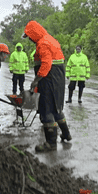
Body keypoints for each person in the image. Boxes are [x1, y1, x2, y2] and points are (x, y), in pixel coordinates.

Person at [23, 21, 72, 152]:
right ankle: (66, 134)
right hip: (57, 78)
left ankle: (51, 143)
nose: (30, 40)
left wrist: (36, 80)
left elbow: (46, 64)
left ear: (34, 33)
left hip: (49, 78)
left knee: (47, 109)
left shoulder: (43, 43)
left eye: (29, 36)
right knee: (57, 107)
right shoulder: (51, 40)